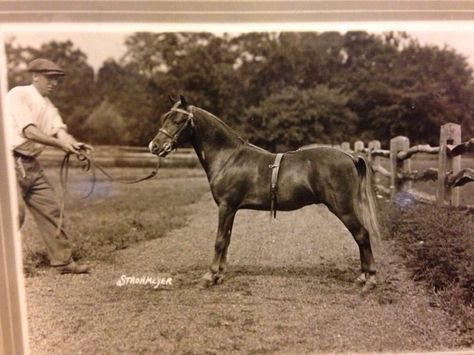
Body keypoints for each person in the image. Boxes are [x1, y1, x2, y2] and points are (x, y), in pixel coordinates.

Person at [7, 58, 91, 274]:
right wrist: (61, 144)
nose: (54, 83)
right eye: (49, 78)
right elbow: (29, 131)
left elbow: (60, 132)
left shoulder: (50, 106)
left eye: (57, 79)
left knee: (51, 209)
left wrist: (74, 144)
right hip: (8, 162)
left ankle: (62, 262)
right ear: (35, 76)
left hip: (30, 164)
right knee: (14, 213)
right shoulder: (19, 94)